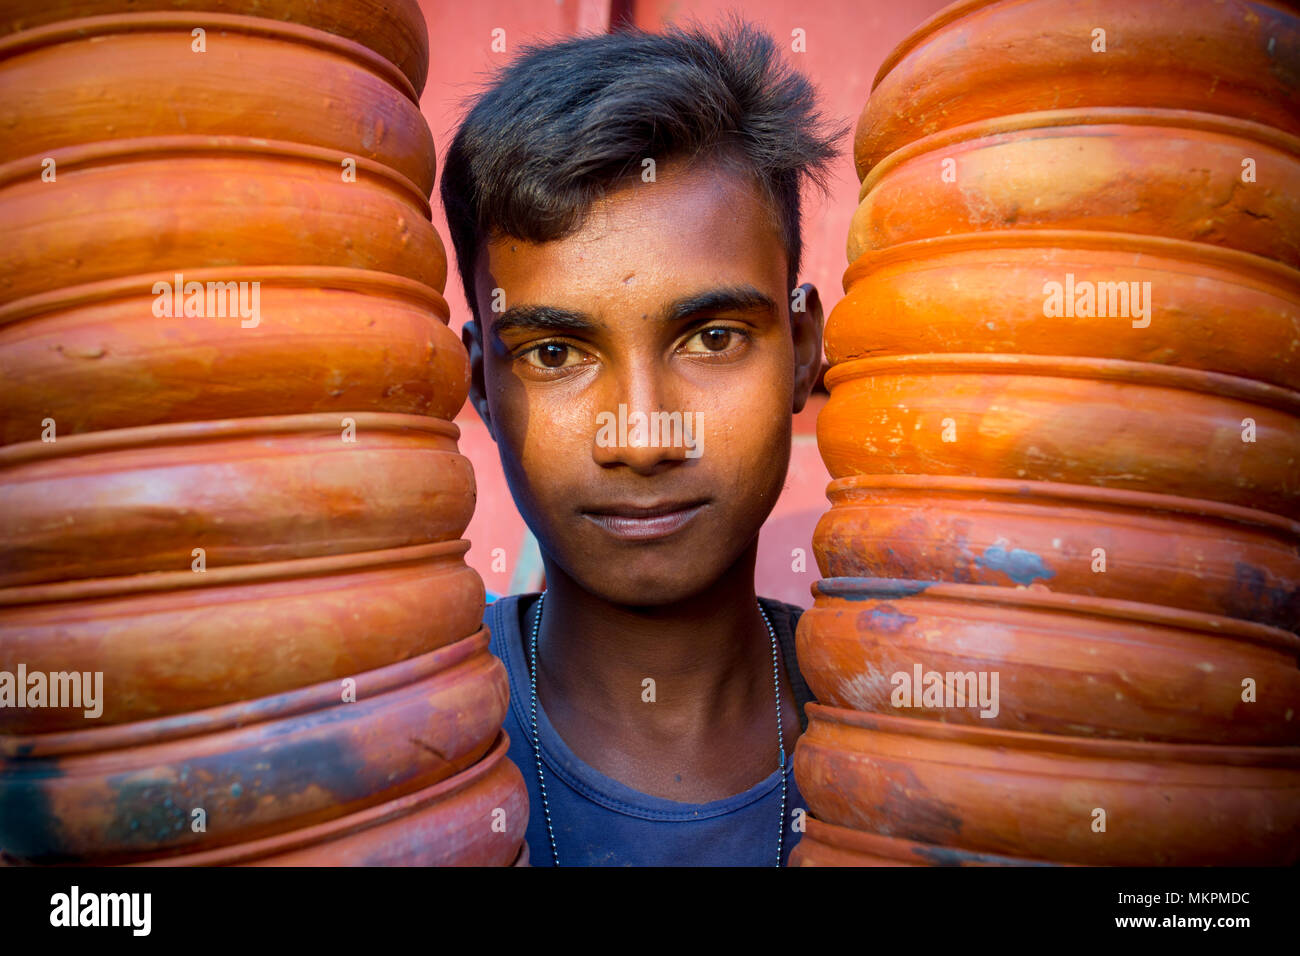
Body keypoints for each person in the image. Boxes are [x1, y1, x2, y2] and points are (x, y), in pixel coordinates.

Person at [440, 19, 842, 866]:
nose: (643, 437)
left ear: (802, 352)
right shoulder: (397, 724)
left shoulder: (914, 718)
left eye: (714, 338)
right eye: (555, 355)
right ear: (482, 382)